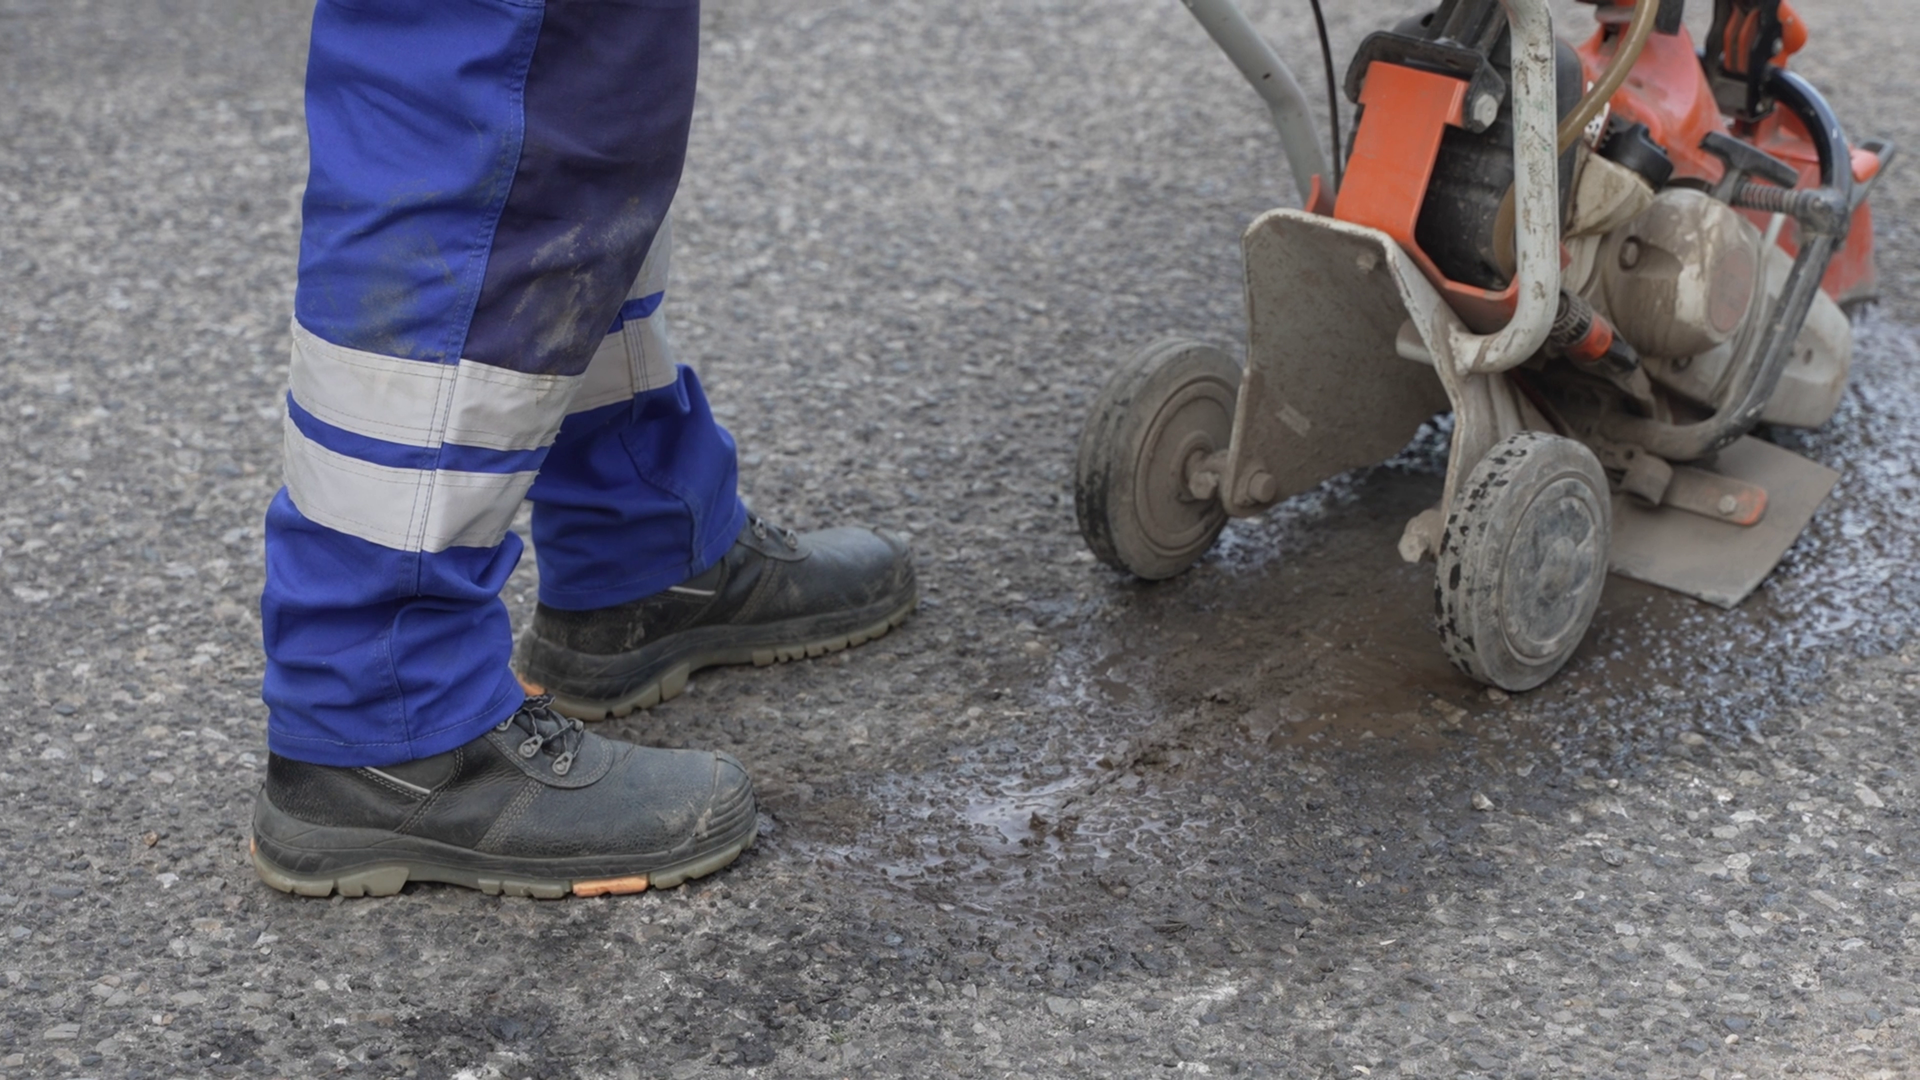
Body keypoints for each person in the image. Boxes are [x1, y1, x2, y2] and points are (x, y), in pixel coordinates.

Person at [248, 0, 916, 900]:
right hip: (382, 717)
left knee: (595, 86)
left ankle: (636, 539)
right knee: (504, 81)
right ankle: (387, 717)